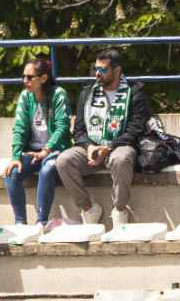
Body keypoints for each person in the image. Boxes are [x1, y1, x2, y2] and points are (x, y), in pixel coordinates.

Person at [56, 48, 152, 228]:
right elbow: (78, 131)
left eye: (103, 70)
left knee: (121, 159)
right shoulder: (87, 93)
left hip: (120, 145)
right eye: (96, 69)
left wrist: (108, 146)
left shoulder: (134, 92)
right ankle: (89, 208)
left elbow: (136, 129)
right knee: (63, 161)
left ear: (117, 70)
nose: (97, 74)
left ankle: (120, 210)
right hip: (91, 148)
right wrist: (89, 147)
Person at [3, 57, 70, 227]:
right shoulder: (25, 96)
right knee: (12, 172)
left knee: (47, 170)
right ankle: (20, 223)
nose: (25, 81)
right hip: (33, 151)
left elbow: (62, 127)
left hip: (56, 150)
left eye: (30, 77)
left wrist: (46, 150)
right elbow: (19, 127)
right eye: (23, 77)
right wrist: (15, 156)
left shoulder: (58, 94)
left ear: (43, 78)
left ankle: (42, 222)